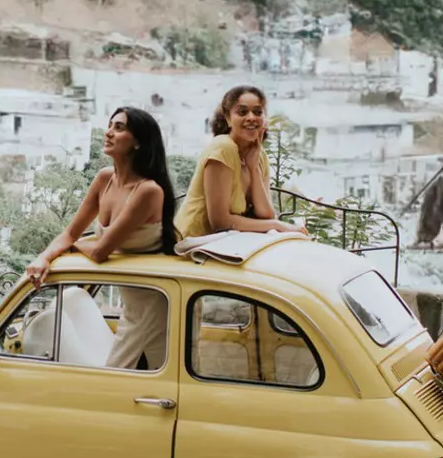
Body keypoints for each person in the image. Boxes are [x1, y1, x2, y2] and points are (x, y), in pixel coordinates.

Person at [24, 107, 177, 370]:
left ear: (138, 142)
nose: (108, 132)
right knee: (156, 384)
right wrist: (44, 257)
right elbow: (71, 233)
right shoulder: (105, 178)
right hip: (133, 302)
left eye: (119, 128)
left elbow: (100, 251)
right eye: (110, 125)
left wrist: (71, 247)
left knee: (116, 380)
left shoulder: (149, 191)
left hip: (153, 304)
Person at [173, 84, 308, 241]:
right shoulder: (223, 148)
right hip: (192, 245)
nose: (251, 117)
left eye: (258, 112)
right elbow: (220, 222)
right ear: (228, 118)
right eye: (242, 112)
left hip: (228, 245)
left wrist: (253, 169)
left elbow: (266, 215)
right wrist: (278, 225)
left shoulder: (259, 155)